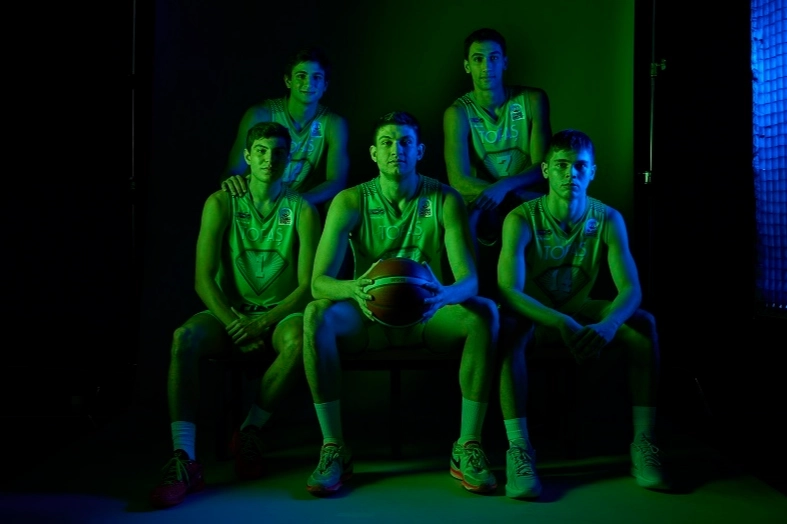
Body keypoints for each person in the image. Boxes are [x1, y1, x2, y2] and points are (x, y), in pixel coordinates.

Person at [302, 111, 500, 496]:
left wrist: (443, 295)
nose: (397, 150)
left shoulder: (444, 198)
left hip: (428, 318)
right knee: (315, 315)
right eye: (388, 142)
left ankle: (468, 445)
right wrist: (353, 289)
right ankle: (334, 447)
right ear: (374, 153)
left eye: (406, 142)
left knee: (485, 313)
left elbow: (470, 281)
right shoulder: (350, 201)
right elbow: (318, 283)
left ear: (420, 151)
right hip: (369, 318)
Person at [149, 122, 321, 509]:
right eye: (261, 151)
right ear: (247, 157)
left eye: (278, 152)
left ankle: (249, 431)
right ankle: (184, 458)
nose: (269, 159)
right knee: (183, 338)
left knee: (301, 338)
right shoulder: (220, 202)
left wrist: (262, 323)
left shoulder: (302, 209)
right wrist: (235, 324)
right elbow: (202, 278)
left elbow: (307, 286)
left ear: (289, 160)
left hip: (276, 316)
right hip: (230, 313)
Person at [496, 129, 669, 500]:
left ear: (592, 172)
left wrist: (608, 324)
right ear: (546, 170)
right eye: (561, 165)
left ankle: (644, 440)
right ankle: (519, 448)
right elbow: (509, 291)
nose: (570, 173)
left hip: (580, 310)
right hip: (538, 316)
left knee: (644, 324)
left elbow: (631, 288)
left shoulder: (607, 218)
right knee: (508, 327)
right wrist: (559, 321)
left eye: (579, 166)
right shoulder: (521, 218)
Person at [443, 27, 552, 294]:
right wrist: (500, 193)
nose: (486, 67)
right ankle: (473, 294)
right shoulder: (458, 112)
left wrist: (505, 187)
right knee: (465, 211)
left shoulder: (532, 100)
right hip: (486, 203)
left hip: (528, 197)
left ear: (504, 62)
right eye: (478, 59)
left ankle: (536, 296)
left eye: (493, 58)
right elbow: (458, 180)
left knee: (563, 203)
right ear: (467, 66)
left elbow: (543, 167)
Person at [220, 45, 350, 214]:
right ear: (288, 81)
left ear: (325, 85)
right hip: (257, 201)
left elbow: (336, 181)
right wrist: (232, 182)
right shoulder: (260, 114)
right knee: (220, 200)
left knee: (339, 204)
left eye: (316, 77)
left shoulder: (334, 124)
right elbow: (233, 170)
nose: (309, 83)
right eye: (301, 76)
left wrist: (295, 202)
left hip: (299, 204)